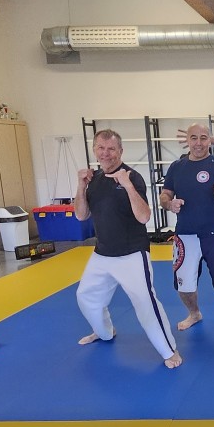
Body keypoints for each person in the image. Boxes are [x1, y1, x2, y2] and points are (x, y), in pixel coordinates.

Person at [74, 129, 182, 369]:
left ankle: (169, 350)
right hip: (102, 254)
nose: (106, 153)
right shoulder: (94, 180)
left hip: (132, 254)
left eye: (111, 149)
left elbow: (144, 217)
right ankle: (105, 332)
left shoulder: (133, 177)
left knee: (145, 303)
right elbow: (81, 215)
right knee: (85, 296)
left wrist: (127, 185)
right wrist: (80, 186)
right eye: (101, 148)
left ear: (120, 151)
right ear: (94, 150)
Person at [159, 123, 214, 349]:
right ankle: (194, 313)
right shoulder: (176, 167)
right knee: (184, 286)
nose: (198, 143)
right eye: (194, 138)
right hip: (185, 235)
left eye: (203, 138)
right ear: (187, 141)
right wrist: (169, 204)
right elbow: (165, 195)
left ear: (210, 140)